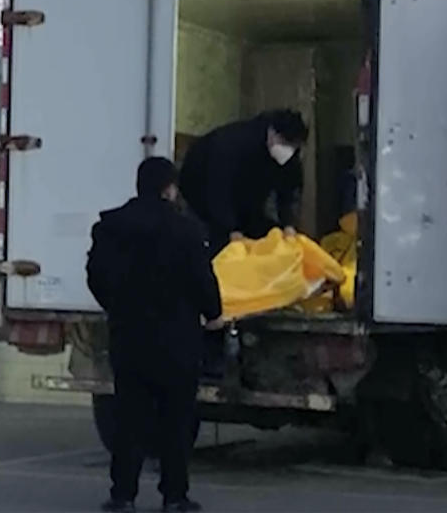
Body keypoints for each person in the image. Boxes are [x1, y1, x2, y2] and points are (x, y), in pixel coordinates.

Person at [87, 157, 224, 513]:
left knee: (129, 417)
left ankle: (122, 495)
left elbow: (96, 277)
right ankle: (174, 495)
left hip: (129, 336)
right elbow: (202, 281)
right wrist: (213, 314)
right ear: (169, 188)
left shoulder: (109, 227)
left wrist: (117, 306)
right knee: (177, 420)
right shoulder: (186, 231)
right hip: (177, 339)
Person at [180, 109, 309, 255]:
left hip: (246, 202)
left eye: (293, 146)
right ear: (273, 133)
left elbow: (290, 190)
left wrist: (289, 224)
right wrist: (231, 229)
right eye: (285, 143)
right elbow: (218, 189)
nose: (288, 150)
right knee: (215, 244)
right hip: (201, 190)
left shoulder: (290, 156)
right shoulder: (232, 143)